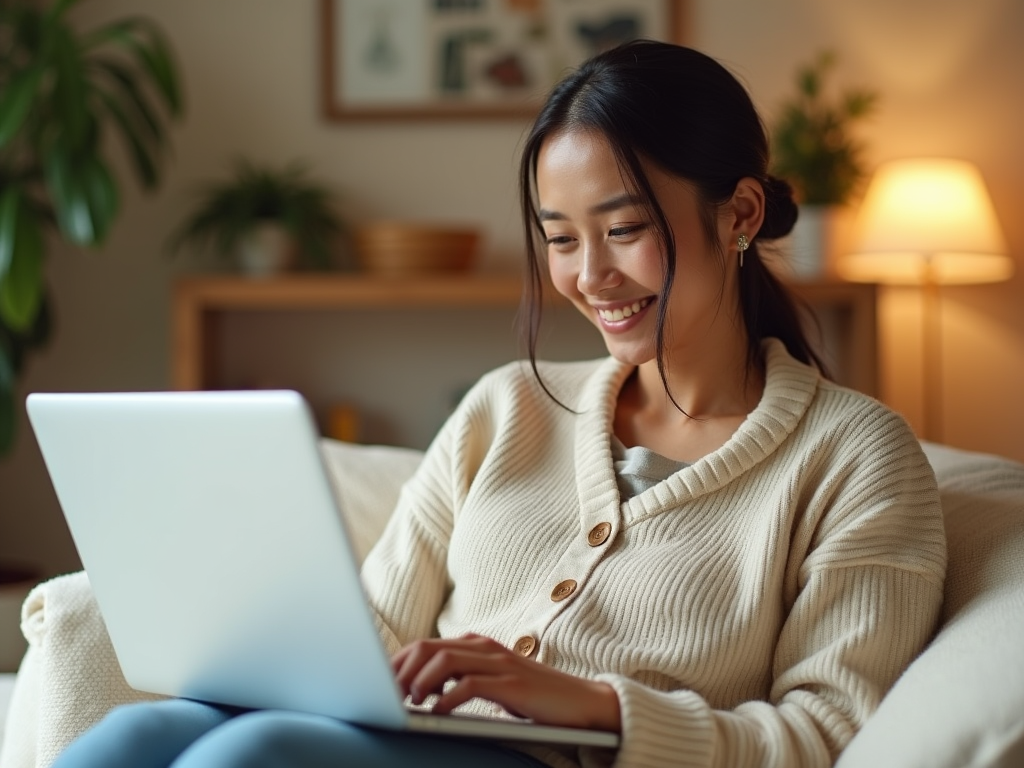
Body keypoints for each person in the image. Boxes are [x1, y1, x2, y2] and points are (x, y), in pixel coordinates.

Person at [52, 40, 946, 768]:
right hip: (407, 740)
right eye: (560, 239)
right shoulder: (507, 406)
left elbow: (828, 735)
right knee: (142, 732)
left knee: (253, 757)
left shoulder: (858, 457)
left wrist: (594, 708)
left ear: (740, 213)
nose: (589, 276)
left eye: (624, 230)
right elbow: (376, 628)